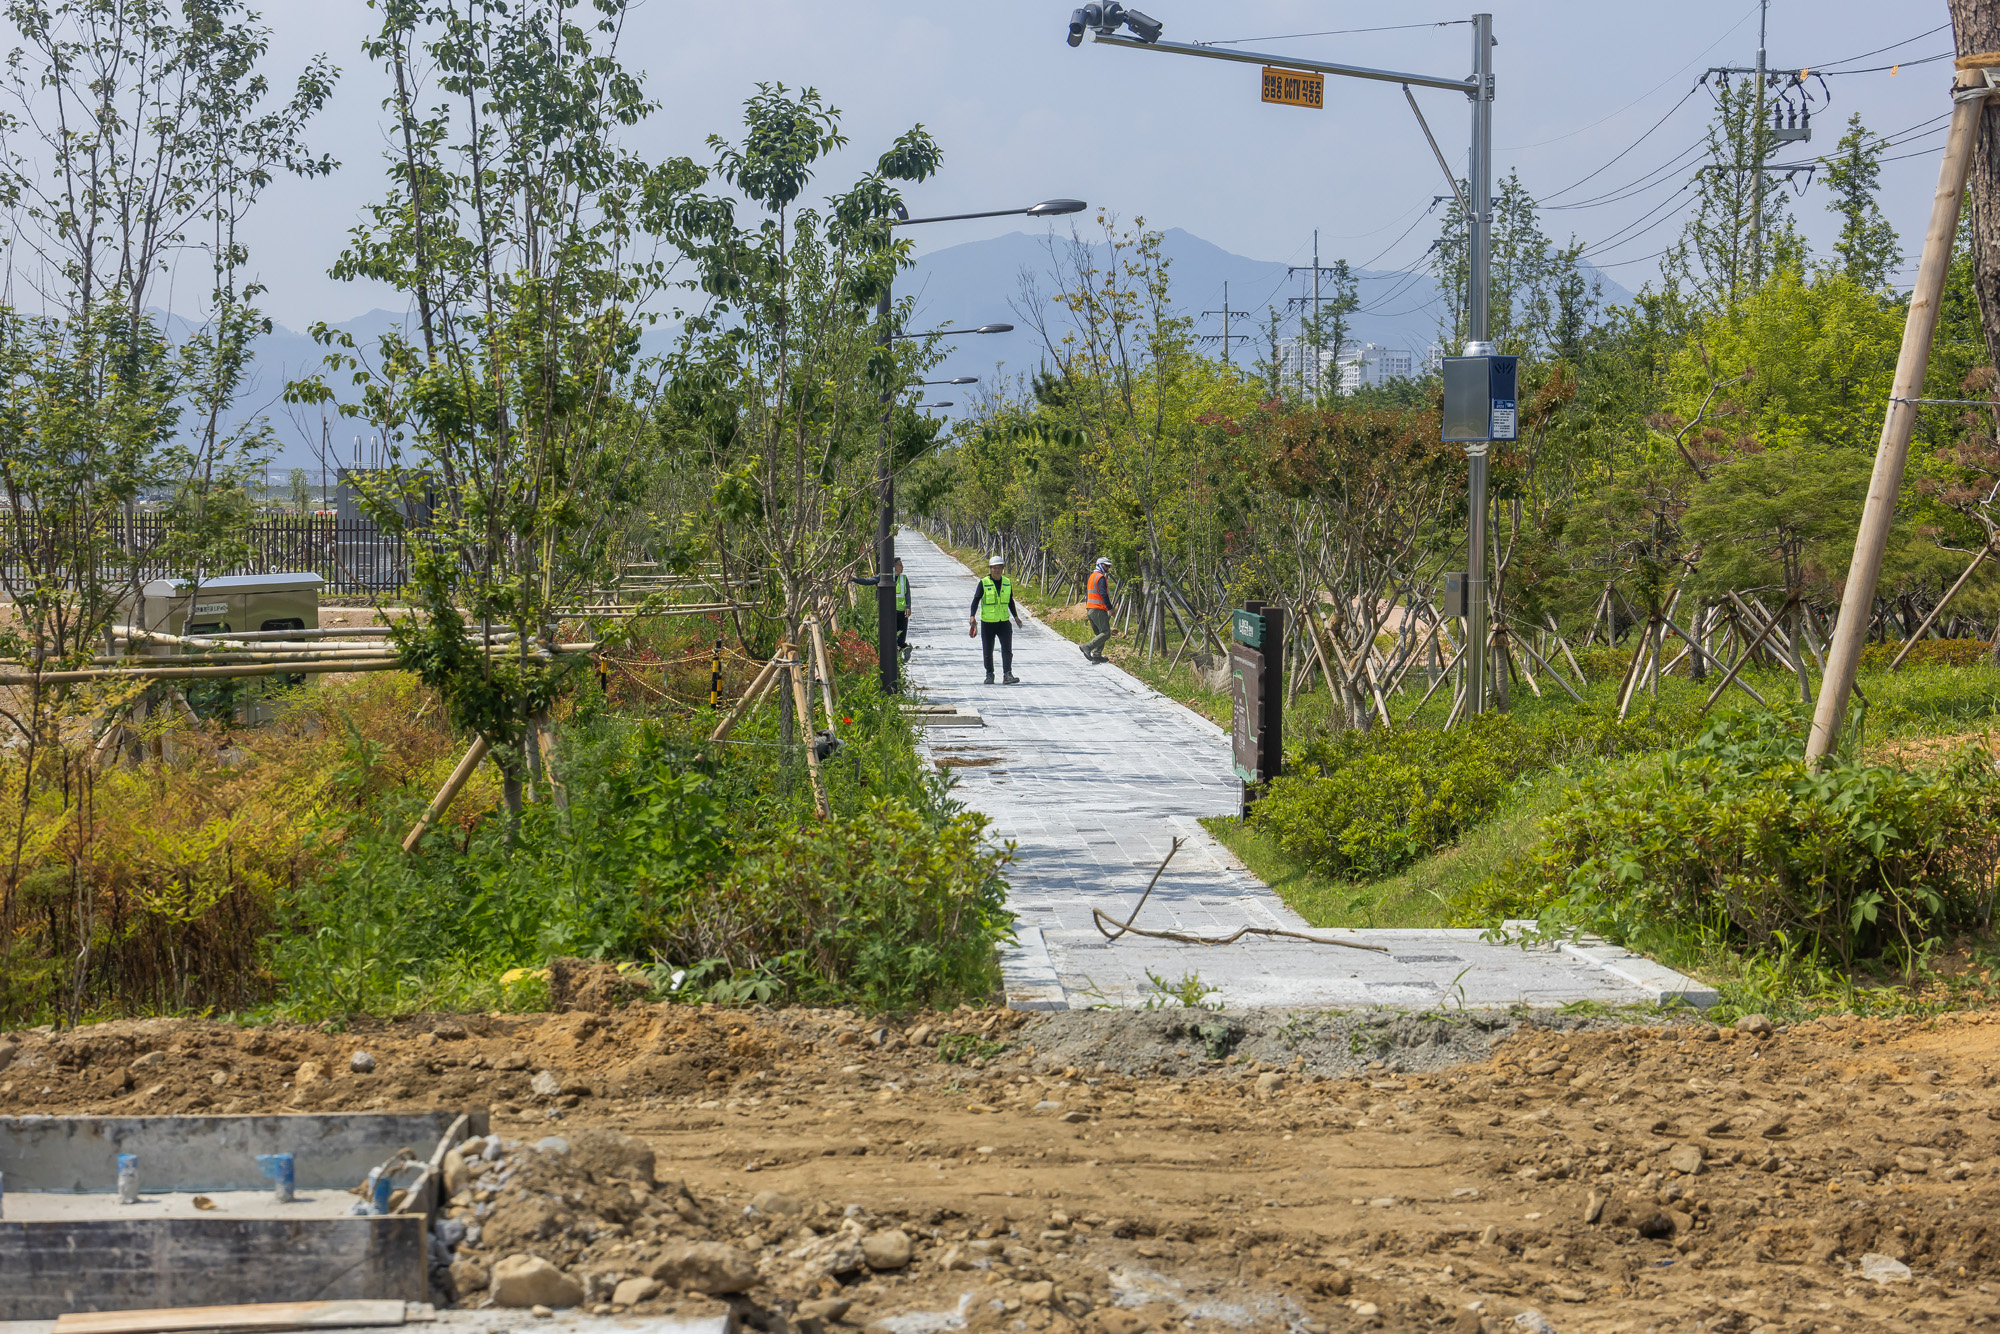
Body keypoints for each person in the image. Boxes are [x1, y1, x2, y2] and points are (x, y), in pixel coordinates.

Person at [967, 554, 1025, 684]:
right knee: (988, 649)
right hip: (988, 623)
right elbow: (975, 600)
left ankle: (1007, 674)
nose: (997, 570)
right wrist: (972, 616)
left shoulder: (1007, 582)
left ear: (1003, 569)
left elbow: (1010, 601)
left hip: (1003, 622)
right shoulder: (984, 583)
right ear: (990, 569)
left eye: (999, 568)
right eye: (994, 568)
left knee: (1007, 649)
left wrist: (1016, 617)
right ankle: (989, 674)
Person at [851, 557, 911, 659]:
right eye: (900, 565)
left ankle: (903, 650)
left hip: (902, 612)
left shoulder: (904, 578)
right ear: (893, 566)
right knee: (890, 636)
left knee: (901, 635)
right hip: (889, 611)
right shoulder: (884, 577)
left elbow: (907, 594)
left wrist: (908, 607)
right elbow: (869, 581)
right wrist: (854, 580)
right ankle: (896, 656)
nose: (902, 567)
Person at [1081, 555, 1115, 663]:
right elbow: (1103, 594)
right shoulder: (1100, 577)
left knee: (1099, 634)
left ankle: (1096, 656)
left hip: (1090, 608)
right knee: (1105, 633)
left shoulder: (1092, 576)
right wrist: (1110, 608)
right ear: (1100, 565)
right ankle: (1088, 646)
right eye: (1106, 566)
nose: (1107, 568)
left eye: (1108, 566)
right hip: (1098, 609)